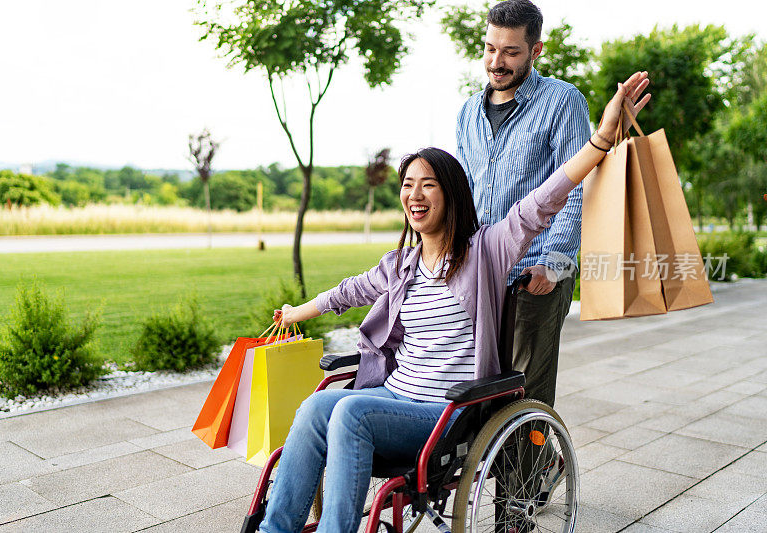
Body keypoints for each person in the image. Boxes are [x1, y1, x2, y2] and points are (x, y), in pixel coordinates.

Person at [257, 72, 651, 533]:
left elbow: (545, 201)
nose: (414, 194)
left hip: (445, 413)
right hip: (392, 398)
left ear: (451, 193)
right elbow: (349, 291)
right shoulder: (400, 263)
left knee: (349, 408)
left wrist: (601, 139)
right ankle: (274, 529)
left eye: (428, 184)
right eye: (407, 184)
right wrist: (295, 313)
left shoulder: (487, 250)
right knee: (314, 408)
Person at [456, 0, 590, 408]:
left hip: (535, 273)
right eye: (490, 48)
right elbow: (462, 195)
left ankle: (527, 472)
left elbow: (576, 187)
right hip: (481, 270)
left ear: (536, 51)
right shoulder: (468, 113)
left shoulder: (562, 101)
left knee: (522, 394)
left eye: (511, 51)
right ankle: (496, 470)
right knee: (479, 391)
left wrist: (554, 263)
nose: (497, 61)